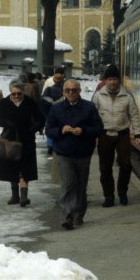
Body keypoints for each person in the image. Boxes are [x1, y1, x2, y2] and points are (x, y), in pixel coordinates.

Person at [45, 79, 102, 230]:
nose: (71, 93)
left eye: (74, 90)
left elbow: (99, 129)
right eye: (68, 90)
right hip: (64, 153)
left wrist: (83, 131)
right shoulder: (56, 109)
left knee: (81, 185)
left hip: (83, 152)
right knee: (68, 184)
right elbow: (49, 130)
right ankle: (67, 216)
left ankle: (79, 215)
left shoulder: (89, 108)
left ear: (79, 91)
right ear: (63, 92)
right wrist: (60, 131)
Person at [92, 63, 140, 207]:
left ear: (119, 80)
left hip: (122, 134)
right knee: (105, 167)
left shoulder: (127, 96)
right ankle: (109, 196)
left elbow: (134, 114)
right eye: (109, 79)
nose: (112, 82)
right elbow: (92, 115)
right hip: (104, 134)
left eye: (115, 79)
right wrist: (94, 134)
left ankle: (122, 193)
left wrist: (137, 133)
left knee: (126, 165)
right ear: (105, 81)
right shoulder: (98, 96)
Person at [0, 79, 45, 206]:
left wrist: (34, 128)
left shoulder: (30, 102)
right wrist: (7, 123)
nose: (16, 96)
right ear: (10, 92)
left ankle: (23, 196)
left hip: (26, 139)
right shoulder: (5, 102)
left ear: (23, 92)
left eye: (19, 93)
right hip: (9, 139)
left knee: (25, 168)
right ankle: (15, 196)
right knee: (11, 167)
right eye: (14, 93)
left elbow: (41, 118)